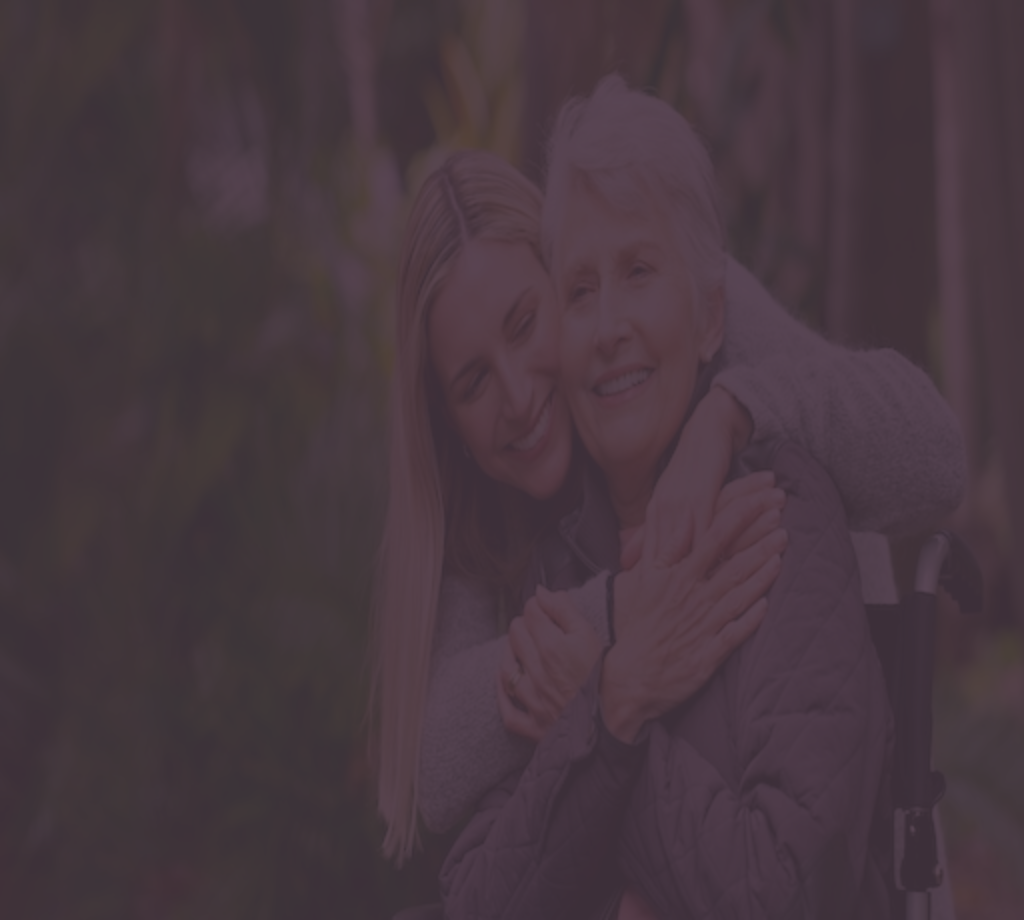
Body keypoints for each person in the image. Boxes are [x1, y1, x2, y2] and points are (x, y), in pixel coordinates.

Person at [372, 89, 966, 882]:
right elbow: (443, 766)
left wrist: (731, 410)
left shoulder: (689, 324)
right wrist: (622, 632)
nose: (516, 395)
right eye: (474, 381)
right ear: (449, 424)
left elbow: (934, 456)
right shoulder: (513, 536)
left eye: (524, 323)